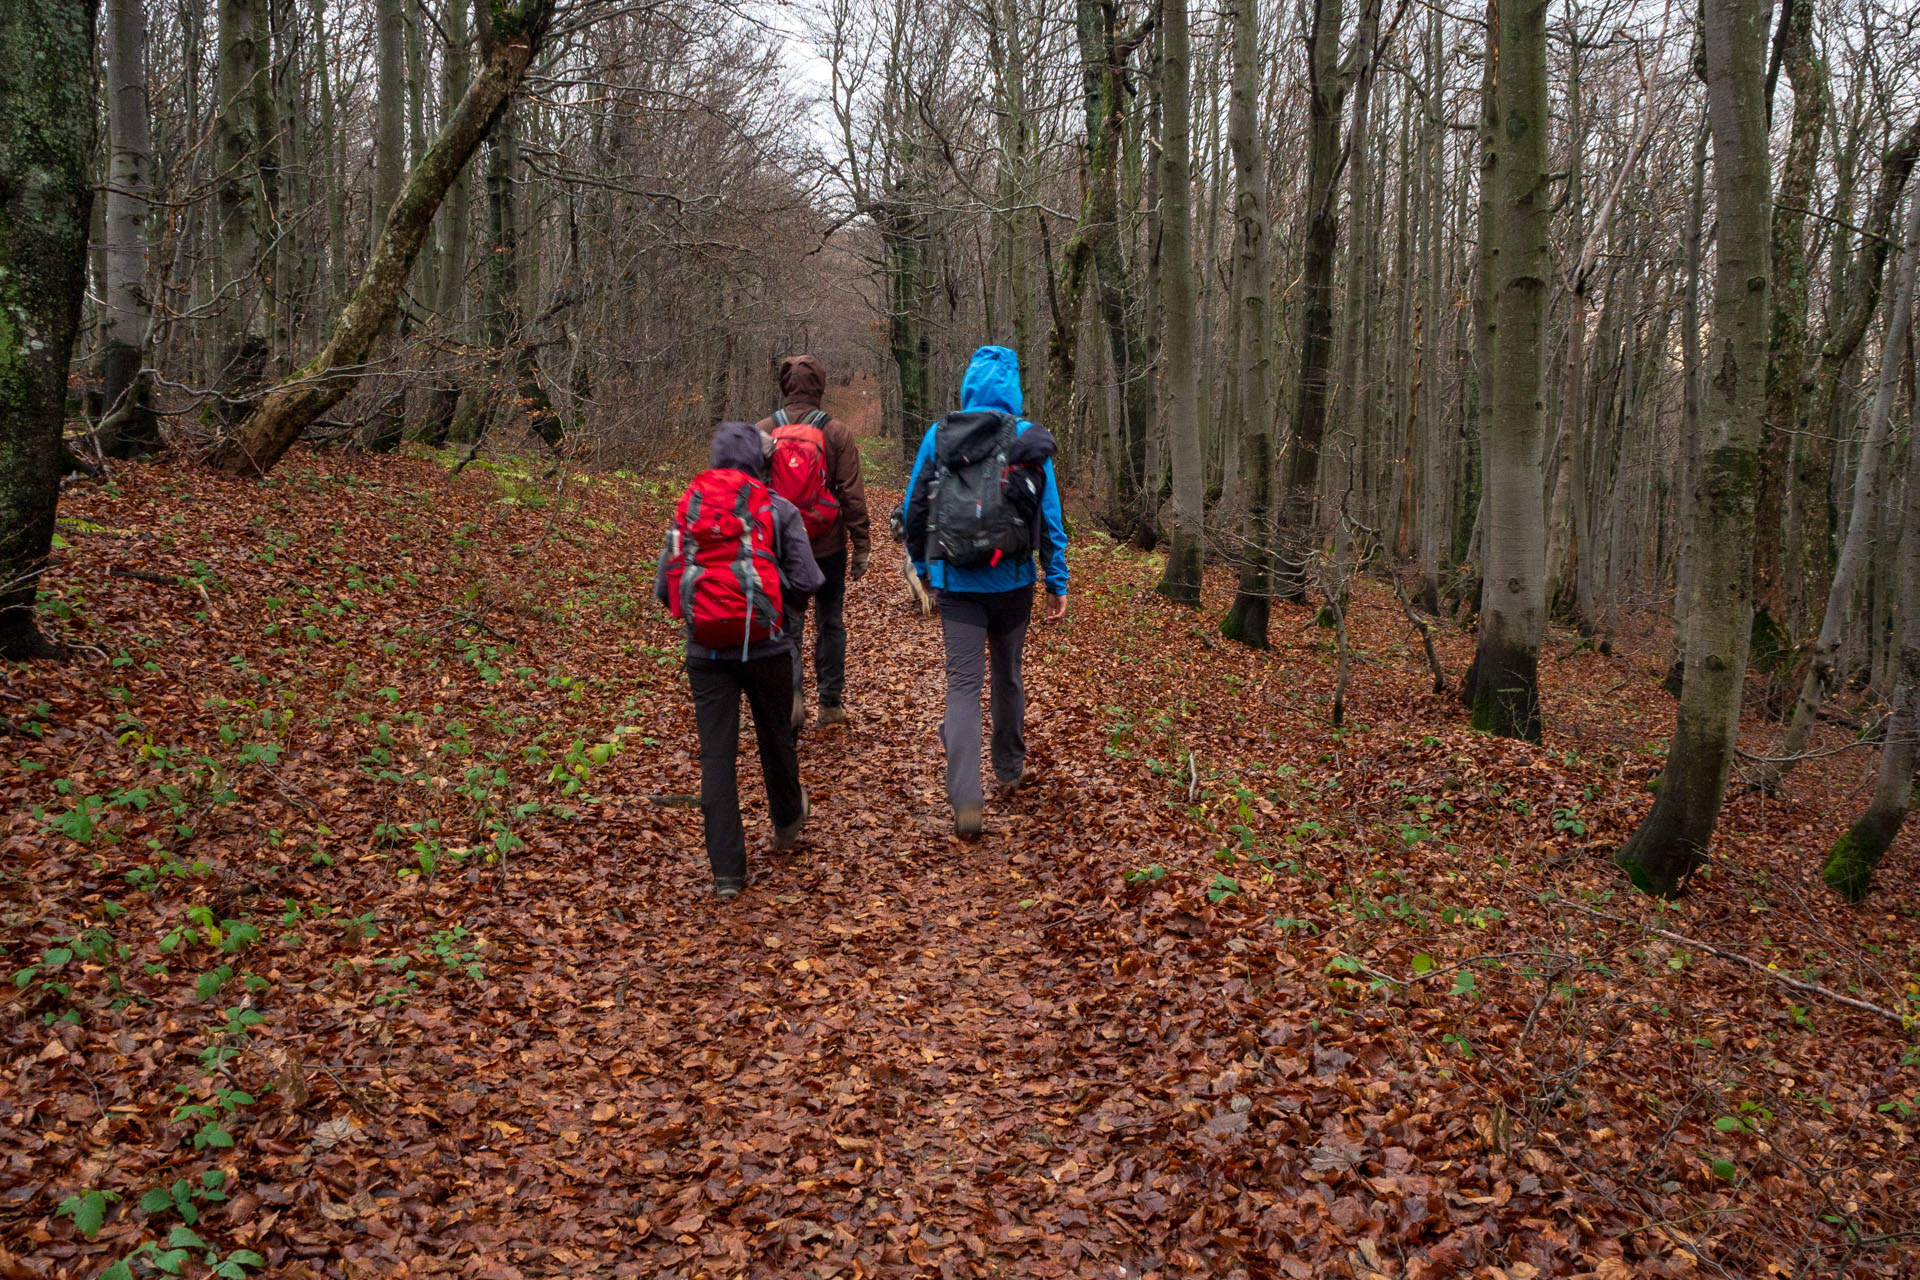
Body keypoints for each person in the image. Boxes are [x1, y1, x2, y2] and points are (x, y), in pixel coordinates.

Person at [904, 345, 1069, 838]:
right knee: (1008, 674)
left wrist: (924, 569)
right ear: (1014, 386)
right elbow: (1050, 518)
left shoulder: (940, 434)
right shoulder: (1025, 438)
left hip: (956, 582)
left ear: (968, 384)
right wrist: (1055, 579)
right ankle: (1009, 767)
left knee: (961, 686)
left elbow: (915, 508)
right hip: (1014, 582)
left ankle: (966, 798)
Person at [655, 421, 824, 898]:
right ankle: (787, 820)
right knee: (775, 737)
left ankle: (727, 872)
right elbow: (808, 578)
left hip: (706, 651)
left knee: (716, 757)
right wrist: (776, 603)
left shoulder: (688, 507)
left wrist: (701, 618)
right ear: (759, 461)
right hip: (768, 646)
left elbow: (663, 586)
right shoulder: (778, 507)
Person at [755, 354, 871, 731]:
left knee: (788, 625)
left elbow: (750, 494)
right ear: (820, 386)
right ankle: (830, 705)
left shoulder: (763, 431)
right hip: (827, 546)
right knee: (830, 622)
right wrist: (862, 545)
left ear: (784, 386)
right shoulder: (836, 433)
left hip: (779, 547)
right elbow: (851, 493)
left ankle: (791, 702)